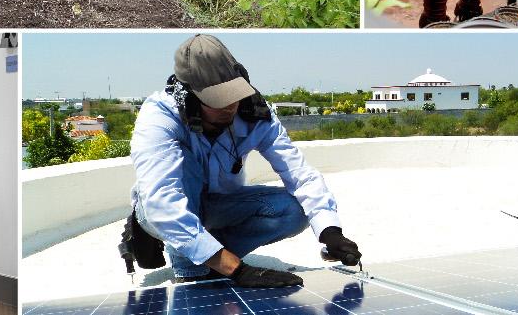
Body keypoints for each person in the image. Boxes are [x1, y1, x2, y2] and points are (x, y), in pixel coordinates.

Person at [123, 34, 362, 288]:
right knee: (186, 165)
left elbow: (299, 172)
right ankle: (192, 263)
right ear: (190, 96)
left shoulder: (255, 112)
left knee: (294, 211)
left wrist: (330, 231)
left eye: (233, 94)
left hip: (221, 205)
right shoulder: (159, 117)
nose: (230, 106)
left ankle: (208, 254)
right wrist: (237, 271)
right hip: (159, 211)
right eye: (218, 99)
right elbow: (162, 202)